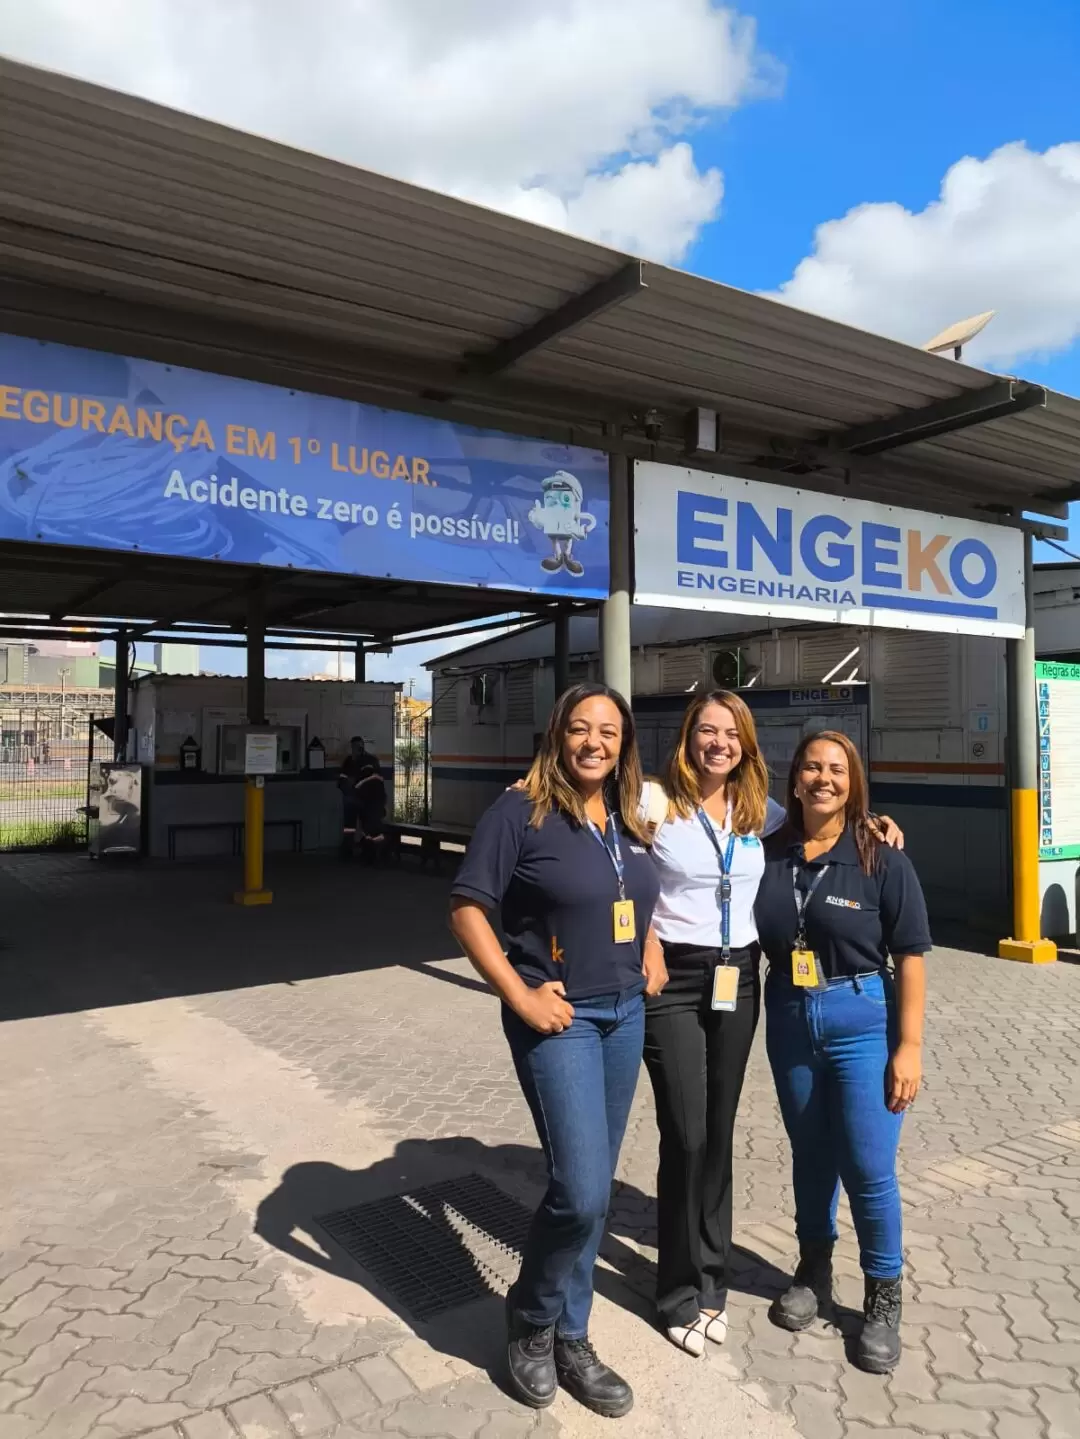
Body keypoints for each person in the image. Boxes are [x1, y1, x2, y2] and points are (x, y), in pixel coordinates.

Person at [449, 683, 665, 1420]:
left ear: (624, 744)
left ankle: (572, 1337)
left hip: (624, 1014)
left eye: (608, 731)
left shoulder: (627, 814)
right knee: (581, 1189)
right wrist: (519, 994)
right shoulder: (521, 810)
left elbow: (631, 893)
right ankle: (533, 1318)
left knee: (593, 1191)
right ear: (557, 734)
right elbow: (467, 908)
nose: (594, 742)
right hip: (561, 1018)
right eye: (580, 728)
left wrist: (651, 945)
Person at [755, 730, 929, 1375]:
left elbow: (911, 956)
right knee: (810, 1153)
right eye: (812, 767)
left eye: (837, 769)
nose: (823, 779)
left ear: (853, 783)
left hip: (862, 1019)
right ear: (795, 779)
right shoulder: (768, 851)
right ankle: (813, 1268)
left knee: (867, 1166)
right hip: (790, 1015)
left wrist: (908, 1047)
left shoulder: (881, 856)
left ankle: (883, 1294)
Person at [338, 737, 380, 858]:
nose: (356, 749)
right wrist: (347, 790)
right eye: (354, 747)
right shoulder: (349, 761)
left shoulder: (370, 760)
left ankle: (368, 852)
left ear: (362, 746)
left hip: (366, 799)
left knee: (367, 826)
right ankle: (348, 851)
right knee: (349, 826)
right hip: (352, 799)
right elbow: (342, 779)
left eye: (358, 746)